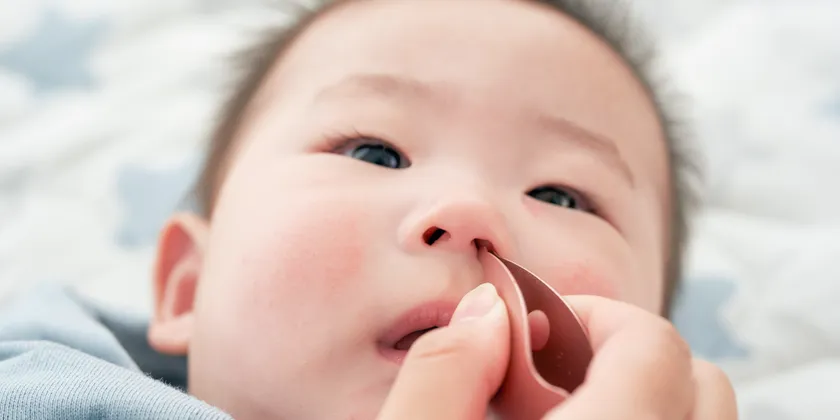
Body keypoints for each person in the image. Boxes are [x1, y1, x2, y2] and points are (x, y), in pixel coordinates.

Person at [0, 0, 737, 419]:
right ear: (190, 288)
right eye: (375, 153)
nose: (470, 211)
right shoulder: (49, 393)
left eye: (561, 195)